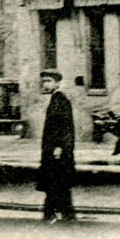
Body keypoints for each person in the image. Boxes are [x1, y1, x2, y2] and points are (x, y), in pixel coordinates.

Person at [36, 70, 76, 222]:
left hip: (56, 150)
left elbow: (65, 126)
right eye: (44, 82)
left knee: (56, 181)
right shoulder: (55, 99)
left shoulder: (61, 99)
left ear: (57, 83)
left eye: (48, 81)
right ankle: (61, 213)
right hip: (53, 149)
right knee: (57, 182)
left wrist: (60, 146)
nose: (45, 84)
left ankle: (53, 213)